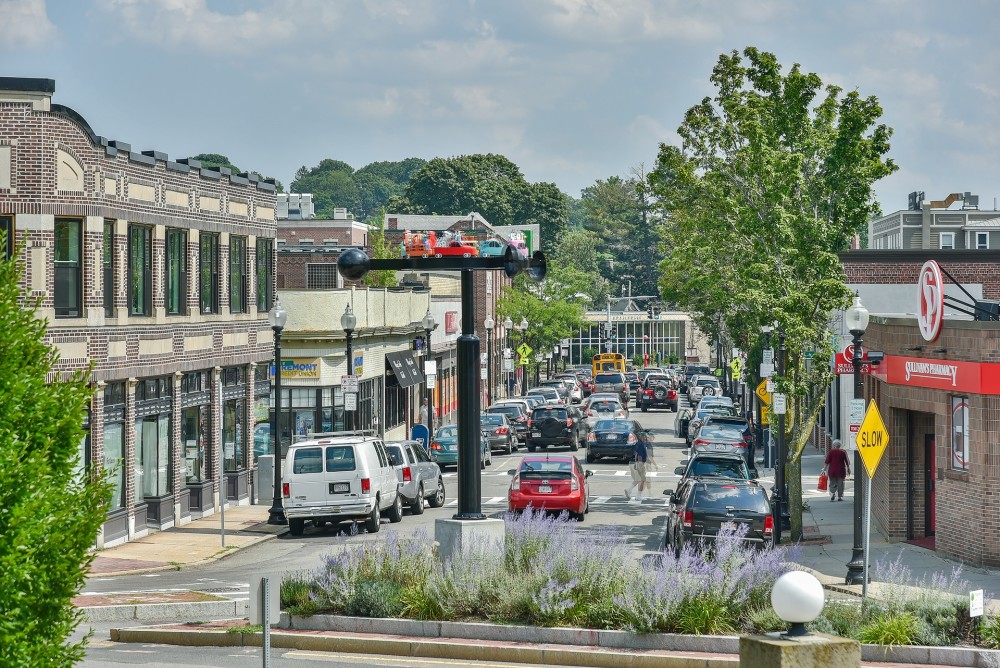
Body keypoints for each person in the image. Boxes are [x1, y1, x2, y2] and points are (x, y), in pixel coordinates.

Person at [625, 432, 648, 503]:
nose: (646, 439)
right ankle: (638, 496)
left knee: (638, 479)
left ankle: (629, 489)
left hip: (638, 463)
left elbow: (636, 454)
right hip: (640, 463)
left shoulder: (639, 444)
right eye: (645, 437)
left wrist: (636, 463)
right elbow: (639, 455)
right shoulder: (641, 445)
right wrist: (640, 464)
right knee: (643, 480)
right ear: (641, 437)